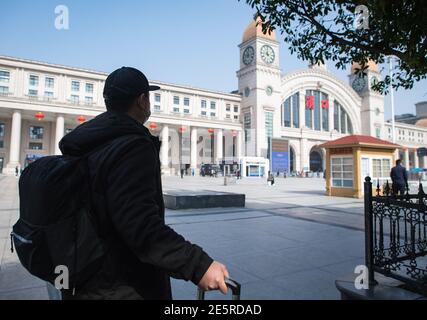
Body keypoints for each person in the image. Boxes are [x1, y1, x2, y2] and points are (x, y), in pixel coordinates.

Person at [59, 67, 229, 300]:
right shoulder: (132, 146)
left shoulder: (87, 143)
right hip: (122, 286)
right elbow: (140, 225)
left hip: (86, 279)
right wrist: (198, 265)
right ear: (142, 100)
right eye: (149, 97)